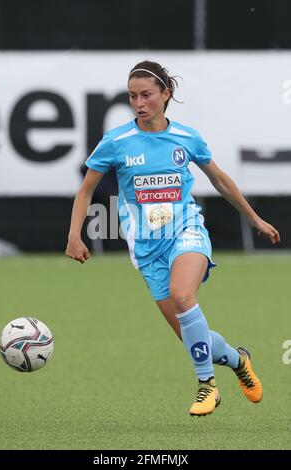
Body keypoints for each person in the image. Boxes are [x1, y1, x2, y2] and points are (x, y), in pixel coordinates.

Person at [66, 60, 280, 416]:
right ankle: (238, 359)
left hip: (186, 230)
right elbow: (86, 190)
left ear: (166, 94)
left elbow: (220, 180)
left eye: (147, 94)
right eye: (132, 96)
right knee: (193, 338)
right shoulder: (116, 141)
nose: (139, 102)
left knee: (184, 296)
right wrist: (75, 235)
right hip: (146, 249)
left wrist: (254, 217)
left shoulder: (186, 137)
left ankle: (207, 386)